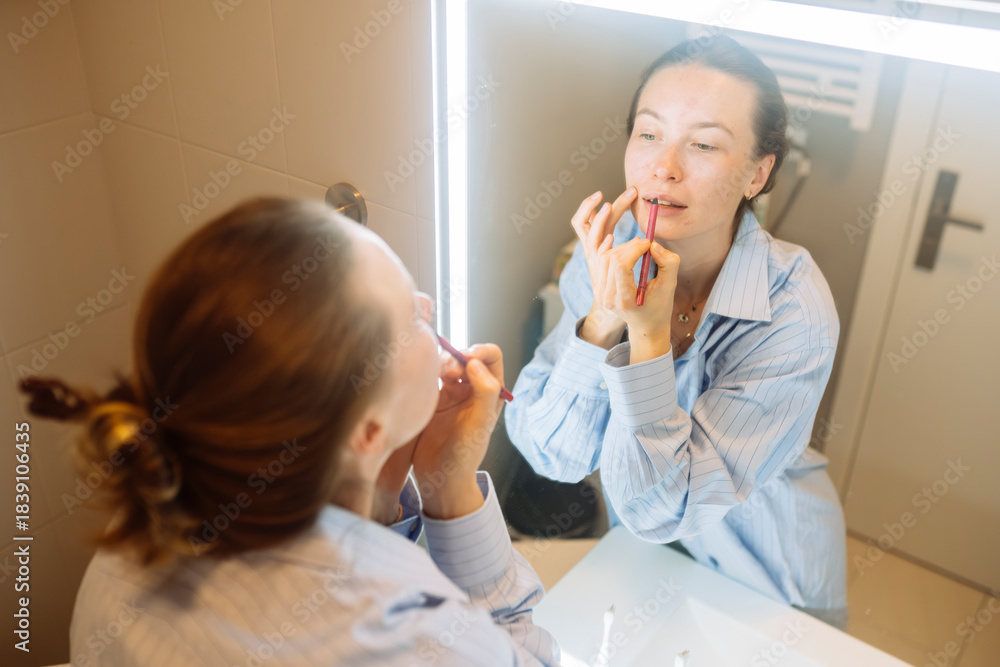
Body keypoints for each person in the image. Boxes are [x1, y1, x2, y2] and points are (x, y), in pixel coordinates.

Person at [21, 198, 559, 665]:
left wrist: (383, 488)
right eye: (412, 317)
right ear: (367, 431)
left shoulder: (132, 538)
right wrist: (452, 494)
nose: (429, 306)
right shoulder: (403, 635)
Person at [505, 35, 848, 628]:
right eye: (648, 133)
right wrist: (605, 316)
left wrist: (648, 342)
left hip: (768, 573)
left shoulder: (796, 308)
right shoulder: (606, 259)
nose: (663, 167)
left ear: (758, 173)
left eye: (704, 143)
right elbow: (551, 453)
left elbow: (664, 506)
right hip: (646, 554)